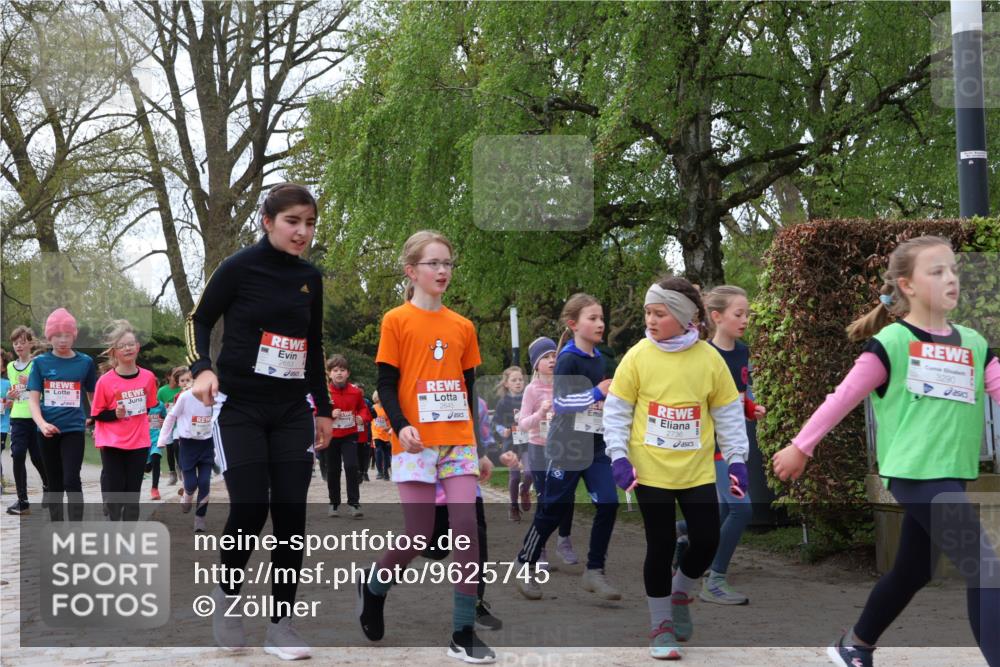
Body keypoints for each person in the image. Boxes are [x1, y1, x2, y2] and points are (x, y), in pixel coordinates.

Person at [772, 235, 1000, 667]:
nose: (951, 278)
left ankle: (855, 644)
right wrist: (801, 446)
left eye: (954, 269)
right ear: (907, 285)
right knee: (986, 570)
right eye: (937, 272)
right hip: (915, 475)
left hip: (951, 473)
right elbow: (841, 398)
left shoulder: (974, 343)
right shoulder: (891, 343)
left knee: (914, 570)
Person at [186, 182, 332, 660]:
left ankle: (282, 627)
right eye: (293, 222)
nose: (302, 232)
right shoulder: (238, 268)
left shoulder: (311, 277)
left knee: (291, 514)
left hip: (292, 410)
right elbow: (198, 320)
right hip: (241, 408)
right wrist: (202, 368)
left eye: (309, 223)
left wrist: (324, 409)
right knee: (250, 507)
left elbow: (314, 348)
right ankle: (228, 602)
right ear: (268, 222)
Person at [357, 229, 496, 663]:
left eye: (448, 264)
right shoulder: (395, 320)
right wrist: (400, 427)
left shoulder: (463, 326)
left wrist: (481, 444)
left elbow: (469, 388)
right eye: (433, 264)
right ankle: (375, 585)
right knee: (418, 535)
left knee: (466, 527)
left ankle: (462, 631)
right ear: (411, 271)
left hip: (457, 442)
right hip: (416, 444)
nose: (442, 271)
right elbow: (386, 382)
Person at [603, 277, 750, 659]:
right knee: (661, 543)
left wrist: (737, 461)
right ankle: (661, 626)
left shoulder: (709, 359)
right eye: (647, 313)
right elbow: (616, 411)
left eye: (659, 313)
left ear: (684, 317)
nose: (650, 320)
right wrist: (619, 457)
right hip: (649, 470)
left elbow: (729, 414)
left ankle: (681, 592)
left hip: (696, 470)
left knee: (706, 540)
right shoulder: (637, 356)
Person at [513, 294, 620, 602]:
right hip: (567, 446)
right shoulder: (568, 358)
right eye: (592, 318)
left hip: (595, 445)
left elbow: (599, 401)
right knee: (554, 508)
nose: (600, 323)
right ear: (573, 324)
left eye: (601, 318)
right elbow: (560, 402)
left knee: (609, 503)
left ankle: (594, 570)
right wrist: (595, 392)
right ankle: (525, 561)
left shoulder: (599, 358)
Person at [674, 285, 765, 605]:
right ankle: (714, 579)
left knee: (724, 509)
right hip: (709, 444)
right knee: (742, 509)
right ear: (716, 316)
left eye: (747, 314)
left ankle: (681, 533)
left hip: (733, 442)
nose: (745, 320)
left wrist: (751, 408)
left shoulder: (742, 352)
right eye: (738, 314)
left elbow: (736, 397)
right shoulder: (703, 356)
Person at [27, 308, 98, 522]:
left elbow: (93, 396)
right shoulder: (40, 363)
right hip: (47, 430)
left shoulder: (85, 362)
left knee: (71, 479)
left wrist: (96, 421)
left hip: (74, 429)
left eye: (67, 335)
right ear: (50, 336)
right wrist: (41, 424)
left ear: (74, 335)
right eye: (57, 335)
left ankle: (76, 529)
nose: (63, 340)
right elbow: (33, 400)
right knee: (54, 481)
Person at [513, 337, 578, 565]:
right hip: (539, 448)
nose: (552, 360)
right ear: (536, 364)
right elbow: (523, 423)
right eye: (546, 357)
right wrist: (541, 413)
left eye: (554, 356)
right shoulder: (531, 389)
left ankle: (564, 540)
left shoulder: (564, 383)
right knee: (545, 498)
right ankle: (538, 548)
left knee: (567, 497)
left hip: (562, 448)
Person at [91, 320, 159, 522]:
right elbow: (97, 413)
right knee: (116, 493)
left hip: (138, 441)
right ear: (114, 352)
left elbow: (148, 405)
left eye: (131, 344)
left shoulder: (148, 377)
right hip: (112, 442)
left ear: (138, 347)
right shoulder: (105, 381)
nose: (128, 348)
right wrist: (115, 414)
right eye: (122, 345)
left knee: (132, 494)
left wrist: (133, 412)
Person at [158, 381, 215, 531]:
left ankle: (200, 518)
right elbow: (171, 417)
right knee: (190, 484)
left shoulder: (215, 396)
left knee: (204, 483)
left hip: (207, 445)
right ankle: (187, 496)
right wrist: (163, 439)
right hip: (188, 445)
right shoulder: (185, 397)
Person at [5, 326, 48, 515]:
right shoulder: (10, 367)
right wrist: (11, 394)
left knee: (38, 457)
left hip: (36, 416)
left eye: (22, 342)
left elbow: (45, 390)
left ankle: (48, 486)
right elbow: (13, 394)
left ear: (30, 343)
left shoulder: (37, 364)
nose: (19, 346)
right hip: (18, 417)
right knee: (18, 454)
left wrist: (28, 383)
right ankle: (22, 500)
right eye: (15, 343)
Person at [324, 355, 369, 518]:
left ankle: (354, 503)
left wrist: (362, 417)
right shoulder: (325, 392)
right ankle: (334, 503)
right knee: (333, 470)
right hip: (331, 436)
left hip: (349, 434)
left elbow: (364, 409)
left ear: (348, 373)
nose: (339, 373)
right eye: (335, 370)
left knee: (351, 466)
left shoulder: (355, 392)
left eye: (342, 370)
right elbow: (315, 410)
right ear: (329, 373)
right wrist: (330, 413)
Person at [493, 367, 528, 521]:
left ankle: (525, 490)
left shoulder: (529, 397)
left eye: (520, 379)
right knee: (514, 477)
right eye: (514, 380)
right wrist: (503, 431)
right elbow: (497, 423)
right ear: (506, 384)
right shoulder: (503, 403)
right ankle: (513, 506)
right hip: (511, 444)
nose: (518, 382)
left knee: (530, 472)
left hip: (528, 442)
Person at [157, 366, 189, 486]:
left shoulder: (183, 389)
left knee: (177, 447)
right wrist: (159, 419)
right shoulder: (162, 391)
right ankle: (172, 473)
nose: (177, 379)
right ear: (169, 377)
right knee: (169, 449)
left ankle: (180, 467)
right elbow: (157, 407)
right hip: (168, 423)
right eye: (174, 375)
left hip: (180, 425)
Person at [371, 391, 392, 480]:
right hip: (376, 433)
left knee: (387, 453)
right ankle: (380, 471)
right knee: (378, 451)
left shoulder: (388, 407)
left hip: (386, 433)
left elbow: (392, 419)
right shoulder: (373, 407)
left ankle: (386, 471)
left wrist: (389, 427)